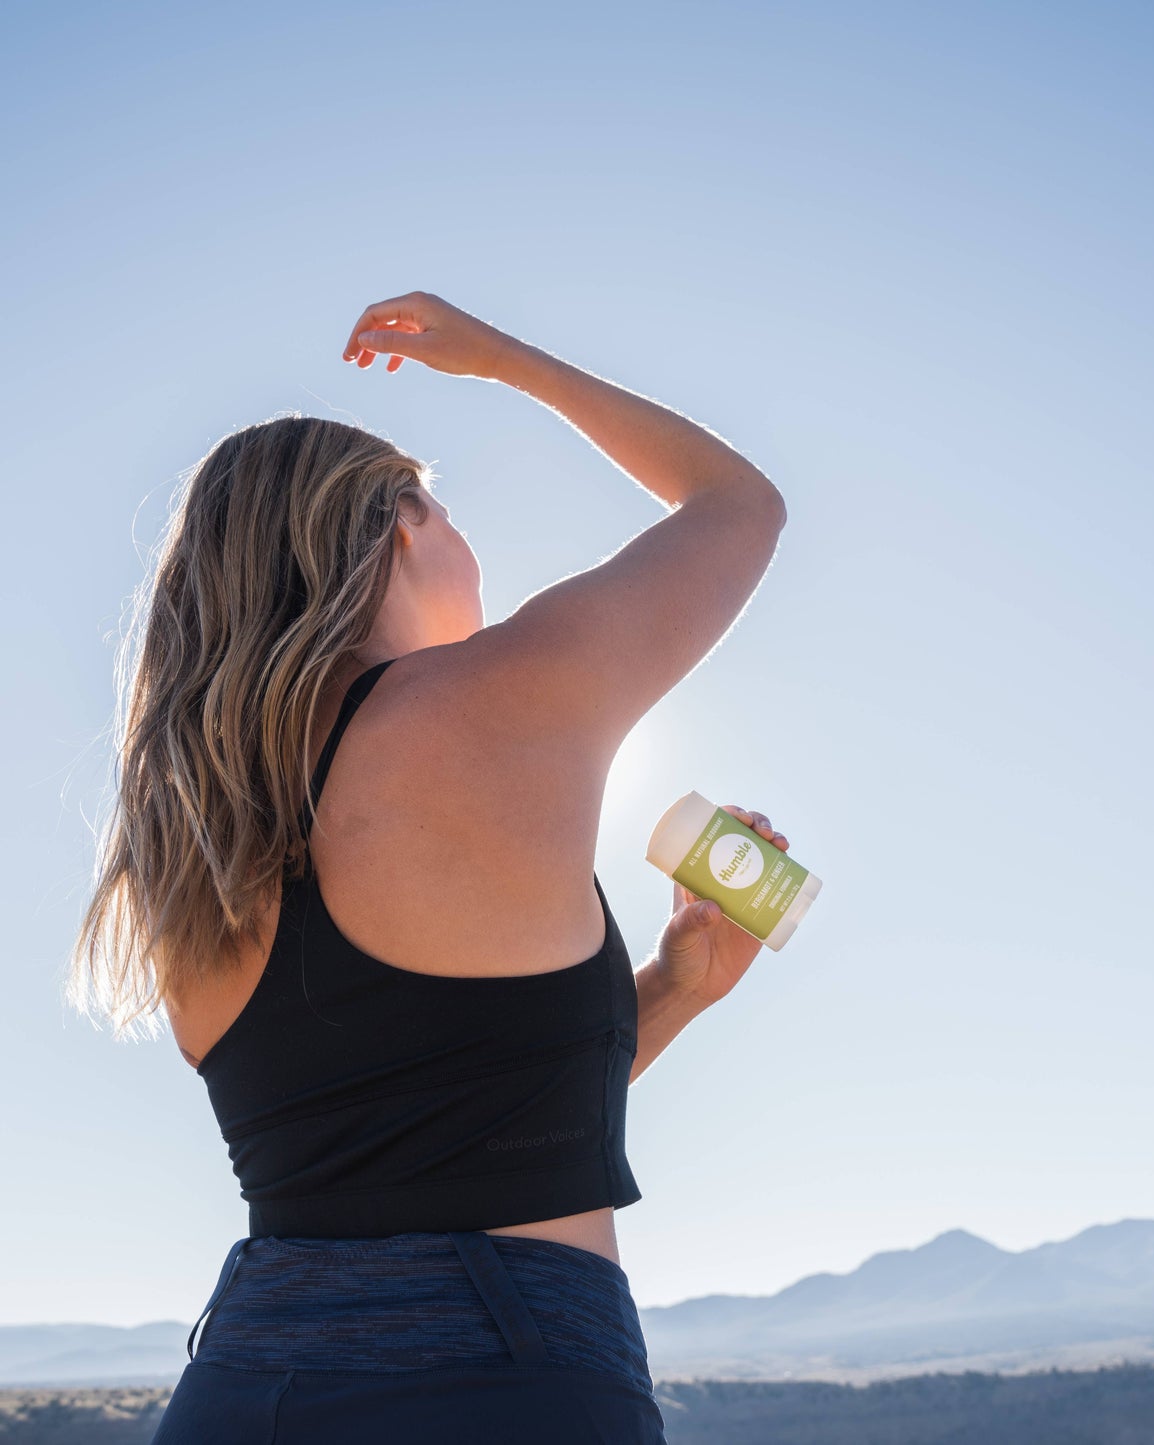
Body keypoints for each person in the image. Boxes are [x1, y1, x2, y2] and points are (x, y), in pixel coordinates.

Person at [67, 291, 791, 1443]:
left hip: (245, 1378)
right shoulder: (485, 703)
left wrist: (673, 989)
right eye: (446, 512)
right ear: (402, 521)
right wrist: (506, 360)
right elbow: (739, 505)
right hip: (504, 1371)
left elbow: (442, 1125)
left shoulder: (193, 843)